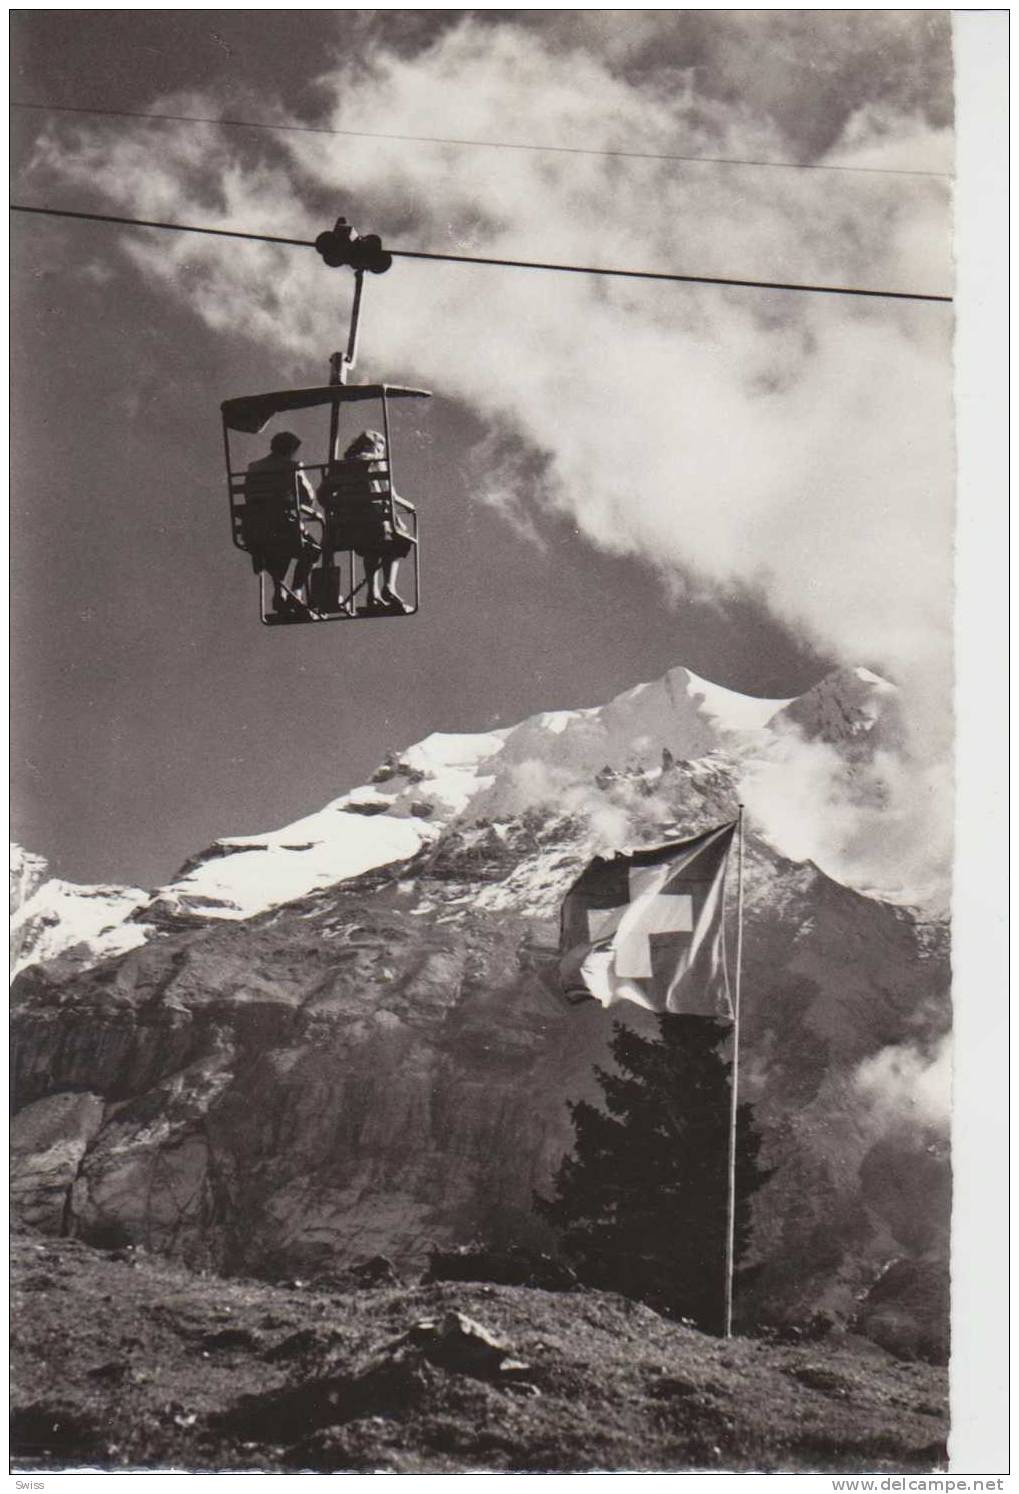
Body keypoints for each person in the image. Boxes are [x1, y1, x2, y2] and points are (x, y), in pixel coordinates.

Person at [319, 430, 415, 612]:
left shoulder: (340, 466)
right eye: (381, 447)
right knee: (398, 539)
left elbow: (322, 495)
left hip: (348, 527)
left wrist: (337, 507)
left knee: (371, 546)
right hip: (375, 524)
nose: (382, 451)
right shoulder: (376, 461)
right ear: (373, 445)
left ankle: (373, 594)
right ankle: (388, 587)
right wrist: (406, 511)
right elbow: (390, 495)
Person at [243, 431, 321, 613]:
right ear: (292, 450)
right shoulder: (292, 466)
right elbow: (309, 498)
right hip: (281, 526)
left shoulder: (253, 467)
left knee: (281, 547)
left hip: (254, 529)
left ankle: (280, 593)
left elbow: (249, 496)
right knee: (311, 550)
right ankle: (296, 592)